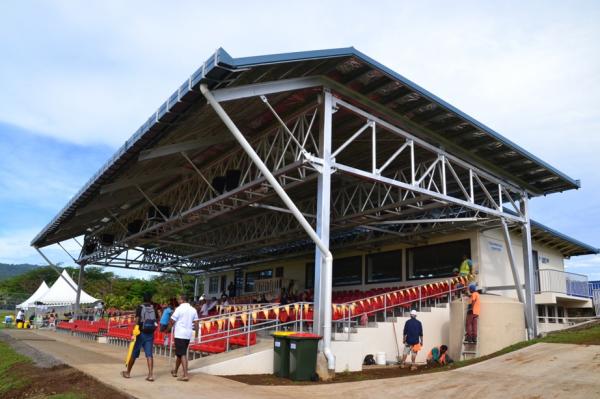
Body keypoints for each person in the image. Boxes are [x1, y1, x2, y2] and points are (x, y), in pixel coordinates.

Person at [121, 292, 157, 382]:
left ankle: (128, 373)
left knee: (134, 352)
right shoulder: (154, 308)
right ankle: (150, 375)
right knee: (149, 354)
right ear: (150, 298)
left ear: (143, 299)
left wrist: (134, 332)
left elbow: (137, 320)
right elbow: (157, 319)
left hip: (140, 333)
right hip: (150, 333)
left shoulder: (140, 307)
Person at [168, 294, 199, 382]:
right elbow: (196, 323)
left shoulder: (179, 309)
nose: (177, 301)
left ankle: (185, 375)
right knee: (179, 353)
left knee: (182, 354)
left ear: (182, 300)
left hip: (179, 334)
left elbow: (172, 320)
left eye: (178, 299)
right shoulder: (193, 309)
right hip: (188, 334)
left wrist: (168, 329)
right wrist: (196, 335)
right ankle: (175, 371)